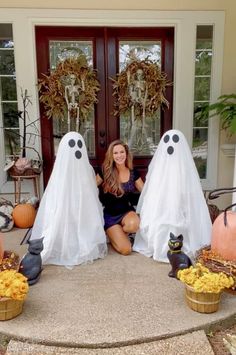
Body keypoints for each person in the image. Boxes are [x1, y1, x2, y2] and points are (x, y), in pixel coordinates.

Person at [133, 129, 212, 262]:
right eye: (167, 140)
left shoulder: (186, 170)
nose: (171, 144)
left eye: (175, 140)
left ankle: (175, 247)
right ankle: (159, 246)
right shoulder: (159, 168)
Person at [30, 131, 107, 267]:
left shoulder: (86, 169)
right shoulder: (60, 172)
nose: (76, 149)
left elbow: (90, 194)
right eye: (71, 144)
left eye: (79, 144)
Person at [96, 140, 144, 255]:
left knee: (134, 225)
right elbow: (90, 188)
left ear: (126, 153)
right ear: (111, 156)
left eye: (122, 152)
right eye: (115, 153)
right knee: (126, 250)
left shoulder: (133, 173)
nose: (119, 155)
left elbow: (146, 192)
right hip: (110, 216)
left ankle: (121, 234)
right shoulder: (105, 171)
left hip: (127, 213)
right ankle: (113, 234)